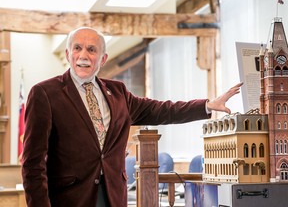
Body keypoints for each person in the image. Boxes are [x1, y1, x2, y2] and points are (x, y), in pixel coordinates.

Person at [21, 26, 243, 207]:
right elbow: (32, 163)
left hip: (113, 196)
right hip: (69, 199)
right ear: (68, 54)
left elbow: (162, 110)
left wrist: (206, 105)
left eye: (91, 49)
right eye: (77, 48)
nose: (83, 56)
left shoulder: (117, 92)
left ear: (103, 58)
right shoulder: (45, 93)